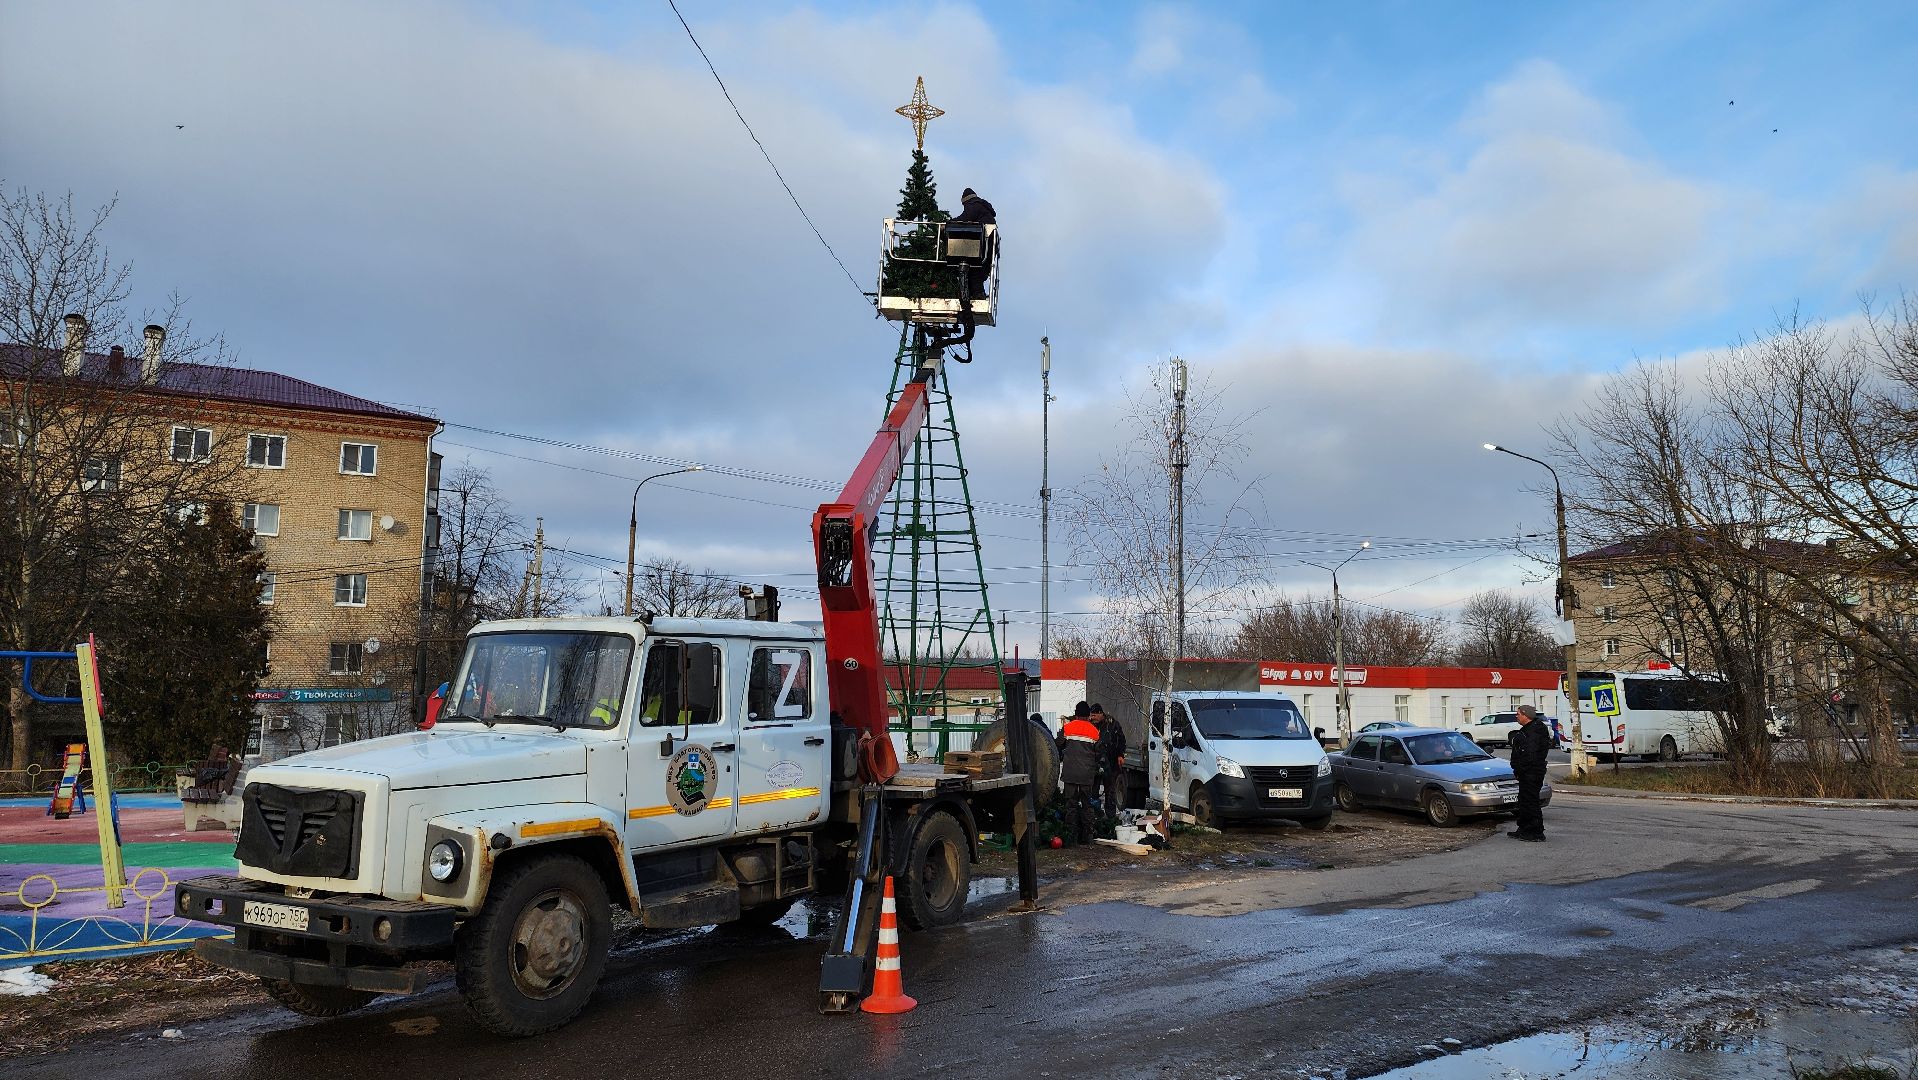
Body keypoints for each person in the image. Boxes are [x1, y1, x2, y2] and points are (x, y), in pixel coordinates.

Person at [1057, 701, 1101, 845]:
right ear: (1088, 714)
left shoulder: (1067, 728)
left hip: (1070, 774)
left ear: (1076, 713)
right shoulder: (1094, 731)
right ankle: (1088, 837)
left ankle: (1071, 837)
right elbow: (1099, 753)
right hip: (1087, 776)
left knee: (1071, 805)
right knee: (1087, 805)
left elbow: (1057, 744)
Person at [1509, 704, 1552, 841]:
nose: (1516, 716)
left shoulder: (1534, 732)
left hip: (1531, 772)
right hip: (1527, 772)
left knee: (1530, 802)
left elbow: (1529, 755)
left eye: (1518, 714)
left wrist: (1520, 769)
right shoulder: (1529, 729)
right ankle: (1524, 828)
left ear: (1525, 715)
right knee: (1524, 801)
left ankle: (1536, 832)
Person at [948, 187, 996, 298]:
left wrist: (949, 223)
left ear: (966, 201)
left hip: (984, 242)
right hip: (988, 243)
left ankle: (977, 293)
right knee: (978, 268)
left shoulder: (974, 205)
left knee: (974, 266)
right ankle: (977, 293)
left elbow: (965, 218)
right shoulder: (981, 206)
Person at [1092, 703, 1126, 813]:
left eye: (1094, 716)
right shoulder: (1090, 725)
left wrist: (1120, 755)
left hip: (1110, 763)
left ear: (1101, 714)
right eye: (1091, 715)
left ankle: (1110, 814)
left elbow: (1121, 740)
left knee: (1110, 791)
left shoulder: (1112, 724)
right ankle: (1095, 813)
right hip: (1095, 763)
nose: (1092, 718)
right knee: (1093, 791)